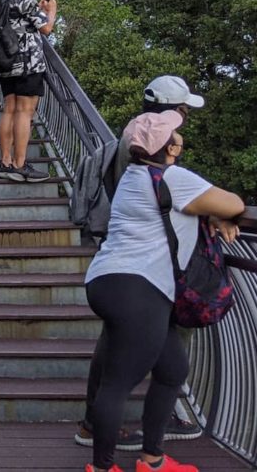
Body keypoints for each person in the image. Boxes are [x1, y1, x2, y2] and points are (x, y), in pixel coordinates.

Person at [81, 111, 243, 472]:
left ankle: (152, 460)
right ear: (170, 146)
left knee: (172, 367)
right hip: (137, 286)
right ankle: (102, 468)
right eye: (178, 135)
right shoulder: (173, 176)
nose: (181, 140)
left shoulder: (134, 175)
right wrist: (221, 213)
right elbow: (234, 203)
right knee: (119, 381)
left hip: (112, 280)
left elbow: (181, 209)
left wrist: (208, 215)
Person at [77, 75, 207, 454]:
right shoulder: (153, 144)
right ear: (171, 111)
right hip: (144, 265)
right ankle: (124, 429)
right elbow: (172, 195)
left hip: (120, 259)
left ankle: (94, 422)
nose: (185, 116)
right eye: (183, 109)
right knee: (149, 352)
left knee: (117, 342)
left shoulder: (133, 133)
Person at [0, 0, 57, 183]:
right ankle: (20, 165)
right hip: (28, 62)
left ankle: (5, 162)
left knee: (9, 109)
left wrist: (35, 11)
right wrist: (51, 10)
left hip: (5, 62)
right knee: (25, 111)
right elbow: (46, 28)